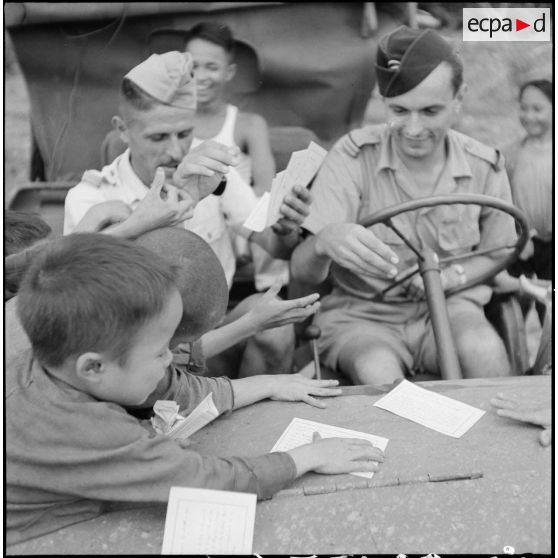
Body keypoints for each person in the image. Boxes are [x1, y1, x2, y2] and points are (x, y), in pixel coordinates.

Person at [5, 232, 384, 545]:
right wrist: (307, 456)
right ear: (93, 366)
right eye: (159, 353)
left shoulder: (49, 360)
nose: (171, 360)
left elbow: (176, 392)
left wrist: (269, 382)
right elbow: (206, 482)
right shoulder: (85, 431)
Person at [64, 50, 313, 377]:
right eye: (157, 137)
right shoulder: (92, 196)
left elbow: (274, 247)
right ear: (122, 130)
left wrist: (285, 228)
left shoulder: (212, 174)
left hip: (212, 331)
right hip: (133, 353)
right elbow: (79, 295)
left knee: (277, 327)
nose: (175, 151)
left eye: (184, 134)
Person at [291, 26, 517, 385]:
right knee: (377, 372)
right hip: (362, 316)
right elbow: (302, 272)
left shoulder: (483, 165)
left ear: (460, 98)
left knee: (485, 353)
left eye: (430, 111)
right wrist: (324, 241)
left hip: (453, 308)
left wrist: (453, 277)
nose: (413, 129)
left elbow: (498, 252)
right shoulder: (352, 158)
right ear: (382, 101)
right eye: (399, 110)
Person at [184, 21, 291, 293]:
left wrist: (241, 227)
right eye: (193, 66)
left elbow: (264, 187)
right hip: (190, 219)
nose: (201, 76)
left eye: (212, 67)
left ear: (229, 72)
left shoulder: (247, 123)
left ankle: (272, 294)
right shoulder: (173, 124)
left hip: (239, 220)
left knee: (270, 211)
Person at [498, 78, 553, 322]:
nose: (529, 115)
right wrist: (520, 233)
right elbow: (502, 198)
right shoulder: (511, 153)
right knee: (512, 309)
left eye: (537, 109)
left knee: (551, 311)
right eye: (524, 107)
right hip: (521, 244)